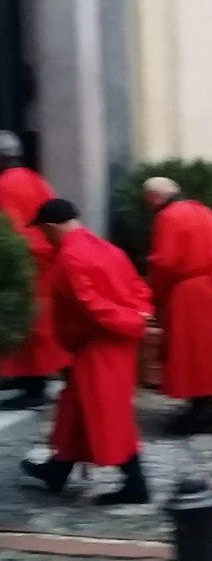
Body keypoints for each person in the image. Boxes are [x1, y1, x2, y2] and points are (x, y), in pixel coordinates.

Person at [19, 199, 152, 504]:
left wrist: (130, 320)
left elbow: (91, 306)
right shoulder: (107, 248)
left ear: (50, 227)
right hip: (112, 342)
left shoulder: (70, 258)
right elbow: (136, 287)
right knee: (78, 408)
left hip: (98, 344)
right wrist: (140, 314)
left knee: (108, 413)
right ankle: (58, 470)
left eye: (42, 230)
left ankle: (136, 484)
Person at [143, 177, 212, 435]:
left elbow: (165, 262)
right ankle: (205, 406)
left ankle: (202, 412)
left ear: (155, 197)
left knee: (188, 353)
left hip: (186, 292)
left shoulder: (168, 217)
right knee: (206, 353)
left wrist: (152, 292)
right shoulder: (206, 212)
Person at [0, 132, 68, 410]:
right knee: (39, 323)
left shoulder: (3, 185)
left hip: (23, 261)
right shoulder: (36, 179)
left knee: (27, 324)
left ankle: (33, 384)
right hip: (45, 259)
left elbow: (8, 230)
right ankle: (26, 376)